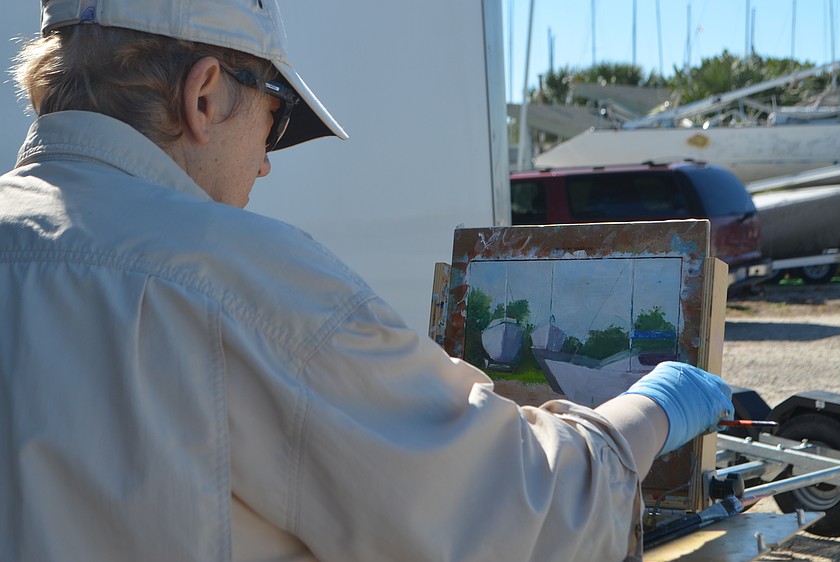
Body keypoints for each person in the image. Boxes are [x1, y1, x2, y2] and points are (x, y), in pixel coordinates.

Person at [0, 1, 733, 560]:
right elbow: (520, 514)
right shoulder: (239, 277)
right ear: (204, 95)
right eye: (275, 120)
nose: (265, 162)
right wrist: (651, 412)